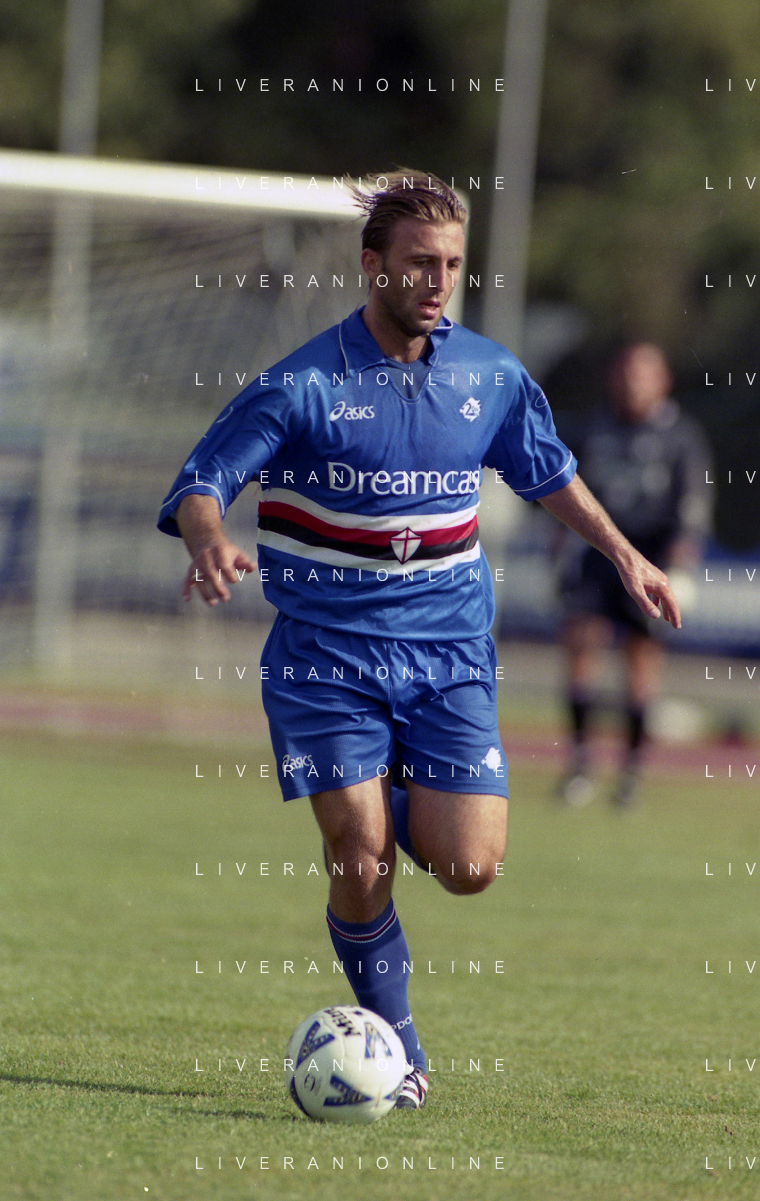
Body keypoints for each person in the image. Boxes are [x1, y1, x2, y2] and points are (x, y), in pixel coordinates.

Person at [157, 172, 681, 1110]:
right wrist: (209, 540)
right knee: (360, 852)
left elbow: (548, 473)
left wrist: (624, 552)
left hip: (449, 658)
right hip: (327, 658)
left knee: (471, 867)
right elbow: (202, 481)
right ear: (373, 267)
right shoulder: (303, 384)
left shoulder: (489, 375)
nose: (439, 282)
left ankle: (388, 787)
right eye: (420, 263)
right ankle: (400, 1045)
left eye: (452, 265)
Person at [555, 342, 711, 808]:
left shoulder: (681, 435)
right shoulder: (593, 427)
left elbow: (694, 501)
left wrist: (680, 560)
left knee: (640, 662)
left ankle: (631, 774)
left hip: (650, 557)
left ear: (663, 381)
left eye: (643, 374)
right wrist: (558, 546)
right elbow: (563, 489)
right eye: (626, 372)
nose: (632, 383)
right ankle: (580, 766)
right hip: (595, 555)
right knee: (582, 648)